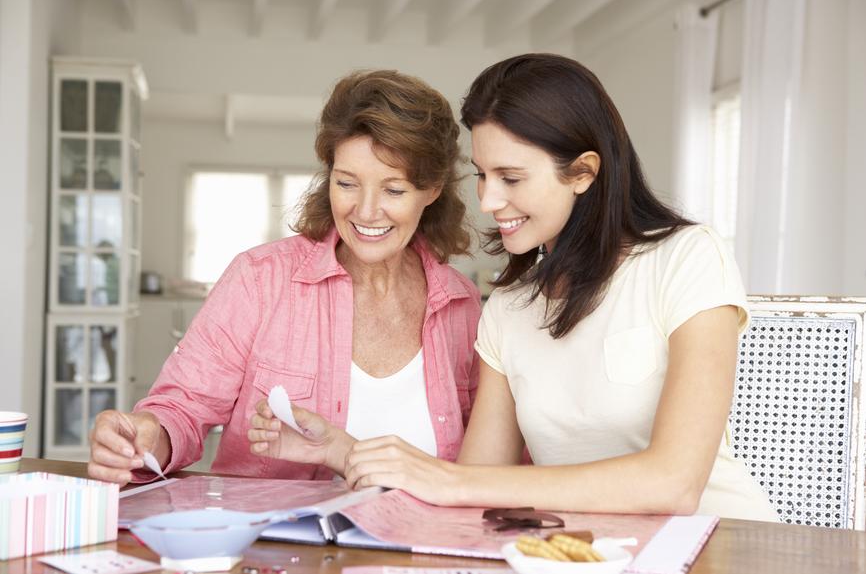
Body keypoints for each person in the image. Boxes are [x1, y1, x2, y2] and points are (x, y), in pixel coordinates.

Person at [267, 53, 778, 521]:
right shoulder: (509, 310)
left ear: (583, 172)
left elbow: (674, 484)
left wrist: (454, 481)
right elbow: (473, 488)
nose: (488, 200)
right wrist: (343, 451)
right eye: (483, 176)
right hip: (580, 554)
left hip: (726, 543)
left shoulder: (686, 258)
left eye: (511, 178)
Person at [87, 69, 481, 485]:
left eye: (394, 190)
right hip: (274, 548)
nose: (365, 212)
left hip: (422, 545)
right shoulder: (259, 280)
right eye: (347, 183)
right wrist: (148, 435)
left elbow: (489, 462)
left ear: (432, 189)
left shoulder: (462, 305)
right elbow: (183, 408)